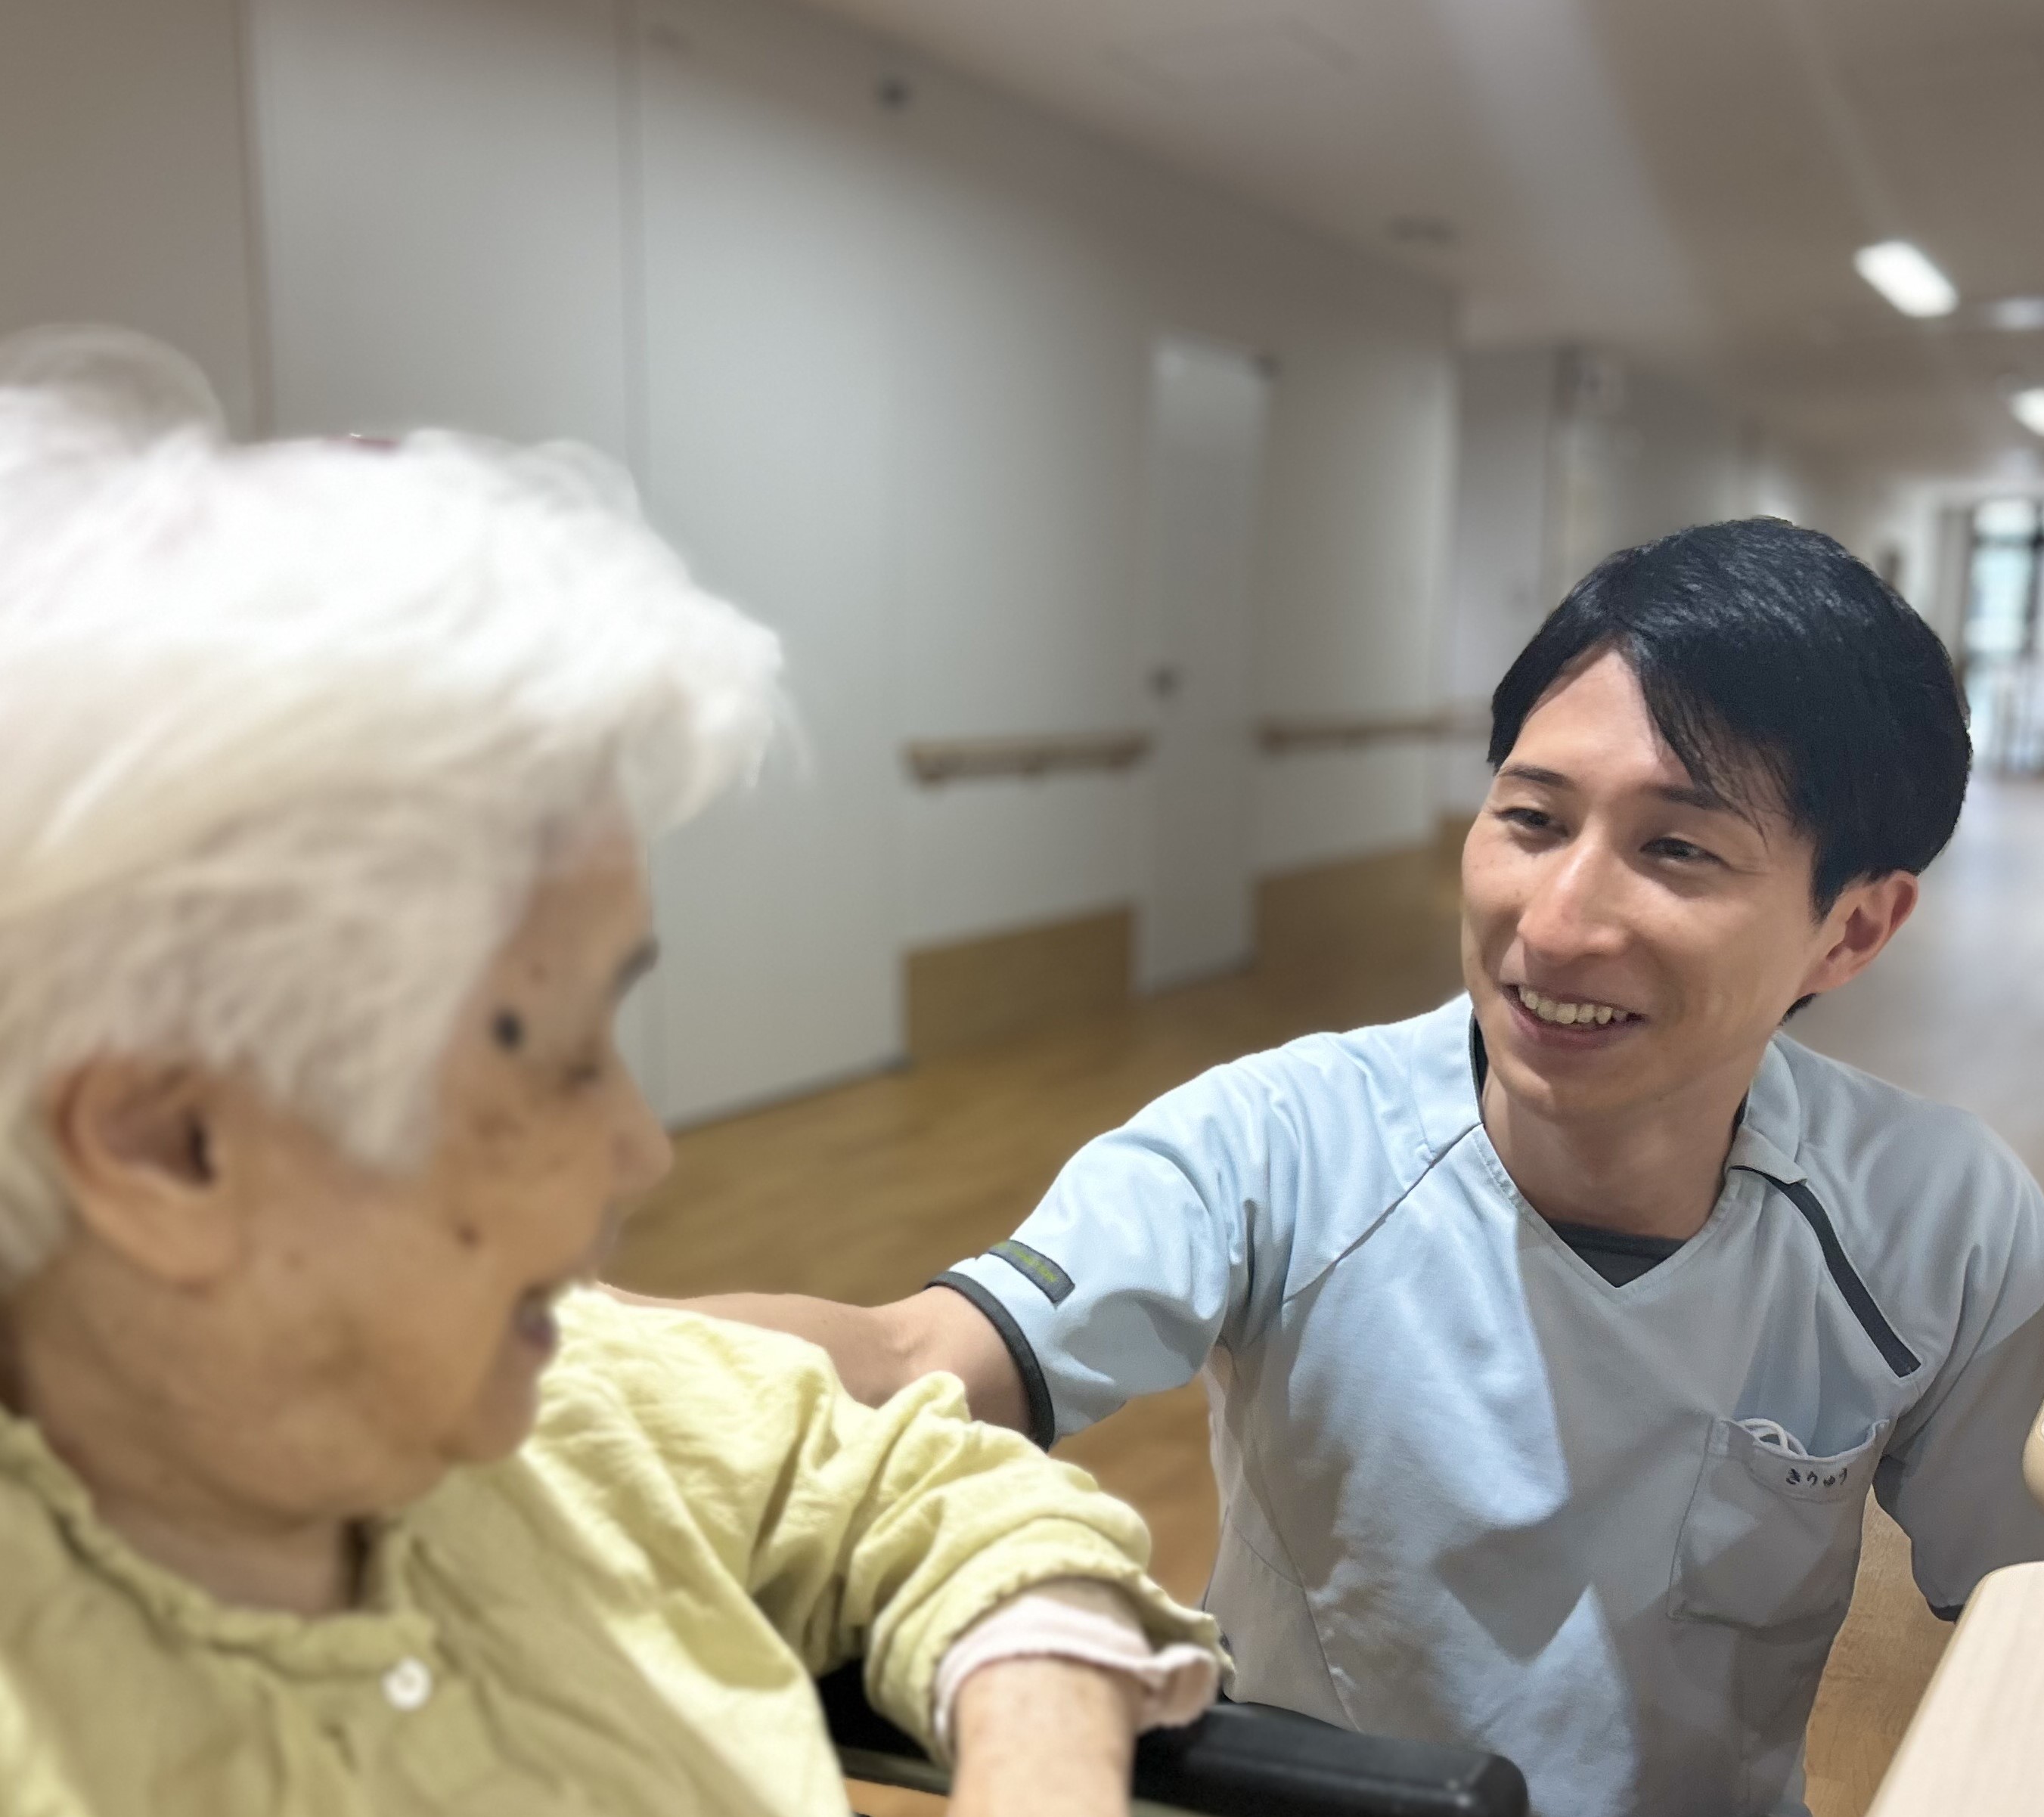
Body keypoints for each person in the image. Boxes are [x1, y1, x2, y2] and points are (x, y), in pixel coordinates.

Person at [671, 519, 2044, 1816]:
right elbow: (918, 1353)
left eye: (1676, 851)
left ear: (1851, 930)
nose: (1553, 924)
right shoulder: (1283, 1140)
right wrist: (569, 1363)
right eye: (1531, 819)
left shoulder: (1936, 1219)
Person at [0, 328, 1220, 1817]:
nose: (643, 1149)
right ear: (170, 1140)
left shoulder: (555, 1393)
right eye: (564, 1052)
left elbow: (937, 1488)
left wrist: (1040, 1772)